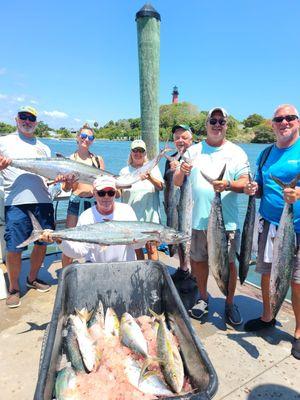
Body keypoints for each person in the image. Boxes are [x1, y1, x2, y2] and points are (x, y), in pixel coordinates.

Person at [174, 107, 249, 324]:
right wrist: (181, 171)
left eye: (221, 121)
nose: (217, 125)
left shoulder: (237, 152)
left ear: (226, 125)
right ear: (206, 125)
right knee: (198, 261)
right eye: (213, 121)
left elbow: (244, 183)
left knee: (229, 264)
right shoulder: (193, 151)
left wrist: (227, 184)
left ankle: (229, 302)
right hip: (197, 220)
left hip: (227, 222)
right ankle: (203, 298)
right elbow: (178, 182)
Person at [244, 104, 300, 360]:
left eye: (290, 118)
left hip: (296, 227)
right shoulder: (266, 154)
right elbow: (261, 188)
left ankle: (299, 332)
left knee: (297, 281)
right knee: (266, 272)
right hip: (268, 223)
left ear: (297, 121)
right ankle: (268, 316)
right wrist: (253, 189)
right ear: (272, 124)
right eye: (279, 119)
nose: (284, 122)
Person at [0, 106, 71, 308]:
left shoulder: (44, 148)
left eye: (31, 118)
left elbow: (50, 176)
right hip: (16, 202)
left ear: (36, 123)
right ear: (16, 119)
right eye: (24, 117)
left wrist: (59, 178)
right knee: (14, 247)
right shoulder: (4, 141)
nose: (27, 121)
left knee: (42, 243)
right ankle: (14, 288)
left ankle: (32, 278)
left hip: (44, 200)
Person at [41, 176, 141, 263]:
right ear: (94, 193)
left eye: (110, 193)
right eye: (101, 193)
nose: (106, 197)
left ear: (115, 193)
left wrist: (147, 239)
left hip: (126, 267)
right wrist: (59, 240)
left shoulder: (127, 210)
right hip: (96, 269)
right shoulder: (86, 216)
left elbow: (136, 246)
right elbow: (79, 252)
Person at [61, 123, 104, 267]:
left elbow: (103, 184)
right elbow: (66, 189)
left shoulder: (98, 160)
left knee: (96, 241)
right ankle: (66, 276)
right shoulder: (69, 160)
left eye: (90, 137)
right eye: (83, 136)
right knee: (69, 241)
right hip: (75, 203)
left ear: (93, 140)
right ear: (78, 137)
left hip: (93, 204)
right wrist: (68, 182)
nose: (86, 139)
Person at [119, 139, 164, 260]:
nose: (138, 153)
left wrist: (150, 177)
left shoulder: (153, 168)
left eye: (141, 151)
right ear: (131, 152)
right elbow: (118, 194)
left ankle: (154, 275)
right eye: (135, 150)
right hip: (132, 217)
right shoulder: (124, 171)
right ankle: (141, 274)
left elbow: (161, 187)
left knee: (152, 247)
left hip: (150, 216)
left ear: (145, 153)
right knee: (136, 249)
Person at [163, 124, 195, 287]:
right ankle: (184, 268)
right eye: (177, 138)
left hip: (193, 206)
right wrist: (171, 170)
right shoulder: (172, 159)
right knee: (180, 234)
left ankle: (194, 274)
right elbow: (167, 183)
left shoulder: (198, 155)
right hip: (175, 204)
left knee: (192, 240)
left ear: (192, 139)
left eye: (184, 137)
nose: (180, 140)